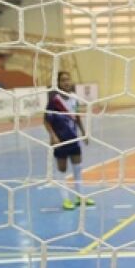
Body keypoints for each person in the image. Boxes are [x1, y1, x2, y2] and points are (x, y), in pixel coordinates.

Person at [44, 71, 93, 211]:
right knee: (62, 170)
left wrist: (84, 132)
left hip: (74, 139)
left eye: (68, 79)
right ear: (58, 83)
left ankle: (80, 197)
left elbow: (77, 117)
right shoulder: (54, 101)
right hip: (61, 141)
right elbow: (46, 121)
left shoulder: (74, 98)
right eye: (63, 80)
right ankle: (66, 200)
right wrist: (53, 136)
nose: (66, 82)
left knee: (78, 169)